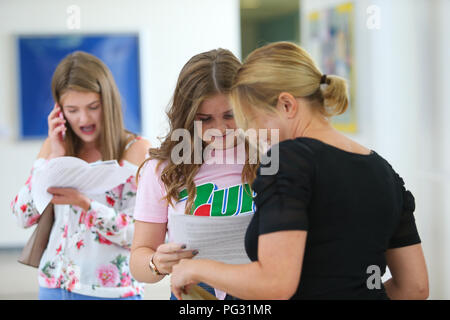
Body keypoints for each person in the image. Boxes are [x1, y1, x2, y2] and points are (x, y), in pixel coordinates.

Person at [170, 41, 429, 300]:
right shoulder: (383, 171)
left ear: (286, 105)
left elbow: (276, 283)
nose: (250, 133)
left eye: (251, 119)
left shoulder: (287, 163)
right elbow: (414, 288)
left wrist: (196, 268)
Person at [11, 51, 150, 300]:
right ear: (59, 109)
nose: (84, 119)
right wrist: (55, 155)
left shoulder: (137, 150)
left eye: (93, 107)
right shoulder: (53, 146)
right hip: (54, 286)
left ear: (108, 103)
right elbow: (22, 216)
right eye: (72, 110)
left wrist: (85, 204)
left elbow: (140, 237)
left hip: (111, 290)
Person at [130, 48, 258, 300]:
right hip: (197, 293)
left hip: (259, 288)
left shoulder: (269, 154)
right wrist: (156, 262)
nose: (220, 128)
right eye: (205, 119)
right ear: (187, 117)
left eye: (229, 115)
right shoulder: (164, 169)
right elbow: (138, 261)